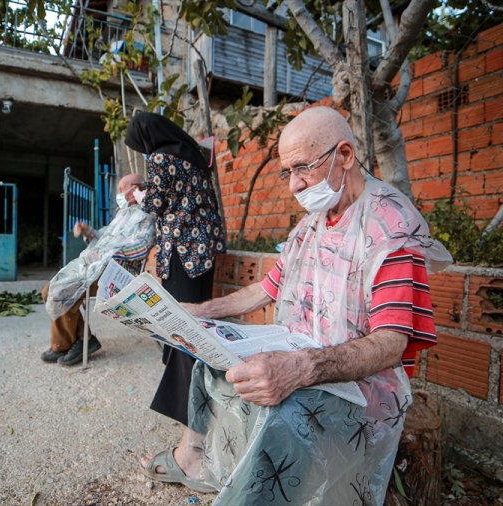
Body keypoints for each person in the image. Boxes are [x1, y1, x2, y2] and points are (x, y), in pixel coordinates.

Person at [139, 107, 453, 504]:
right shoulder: (312, 223)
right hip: (303, 352)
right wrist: (199, 312)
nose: (293, 185)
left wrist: (300, 368)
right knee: (208, 358)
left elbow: (391, 344)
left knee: (284, 410)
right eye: (287, 172)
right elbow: (265, 289)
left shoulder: (389, 228)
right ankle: (201, 462)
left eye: (303, 167)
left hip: (361, 387)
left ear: (344, 155)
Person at [124, 112, 227, 485]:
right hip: (202, 256)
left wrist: (139, 193)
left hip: (182, 256)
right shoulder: (194, 155)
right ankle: (197, 421)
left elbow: (154, 204)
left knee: (183, 336)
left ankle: (192, 445)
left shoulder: (161, 157)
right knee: (191, 330)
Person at [41, 173, 155, 366]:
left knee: (60, 291)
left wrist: (110, 253)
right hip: (97, 268)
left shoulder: (146, 216)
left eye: (121, 190)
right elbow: (105, 238)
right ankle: (78, 340)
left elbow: (142, 246)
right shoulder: (122, 214)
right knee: (50, 290)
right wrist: (88, 231)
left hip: (116, 274)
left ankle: (70, 343)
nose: (118, 194)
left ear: (135, 189)